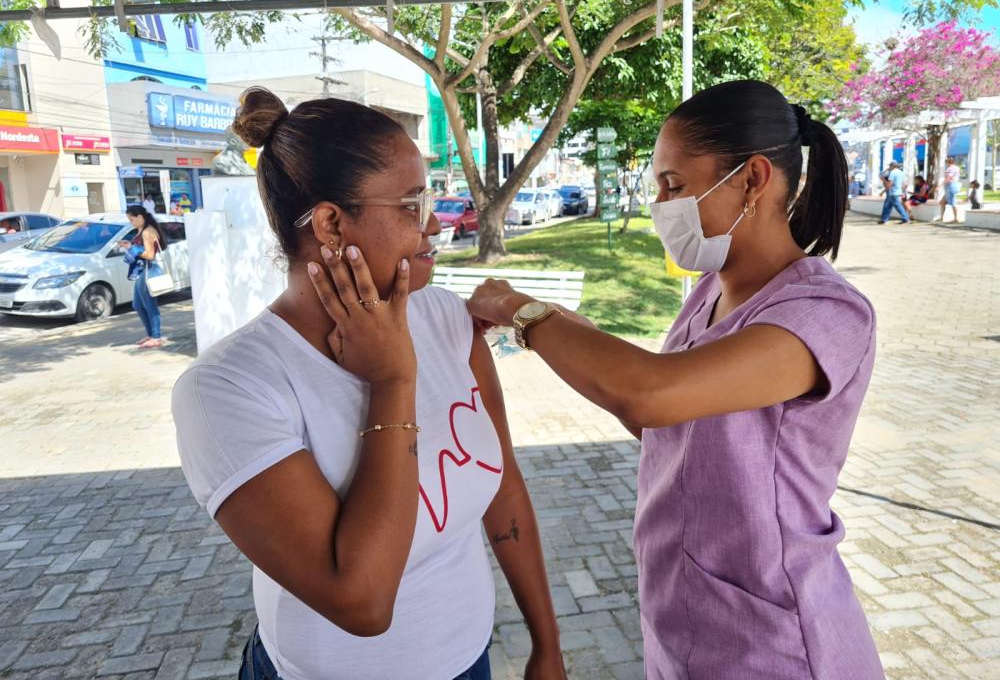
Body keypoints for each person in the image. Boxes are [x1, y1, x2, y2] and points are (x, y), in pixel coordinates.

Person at [467, 80, 885, 680]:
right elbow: (657, 414)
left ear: (752, 179)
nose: (662, 206)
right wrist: (555, 325)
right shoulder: (711, 295)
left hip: (773, 639)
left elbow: (651, 392)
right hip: (685, 621)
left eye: (675, 186)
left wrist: (520, 311)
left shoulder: (824, 314)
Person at [171, 88, 566, 680]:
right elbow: (361, 601)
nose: (434, 222)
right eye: (412, 204)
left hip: (469, 658)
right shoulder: (227, 389)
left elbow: (503, 484)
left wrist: (546, 644)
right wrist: (392, 379)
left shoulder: (444, 320)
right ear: (330, 223)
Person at [120, 205, 168, 349]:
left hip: (148, 270)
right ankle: (151, 334)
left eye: (132, 219)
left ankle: (156, 336)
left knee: (149, 305)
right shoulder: (142, 230)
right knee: (138, 305)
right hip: (142, 271)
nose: (131, 223)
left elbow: (150, 254)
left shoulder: (147, 232)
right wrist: (129, 246)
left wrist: (132, 249)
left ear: (140, 217)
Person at [937, 156, 961, 222]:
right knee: (942, 202)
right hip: (951, 187)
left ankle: (956, 218)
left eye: (947, 161)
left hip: (950, 187)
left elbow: (948, 178)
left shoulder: (950, 169)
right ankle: (941, 218)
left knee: (953, 202)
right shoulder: (956, 168)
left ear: (948, 161)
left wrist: (939, 186)